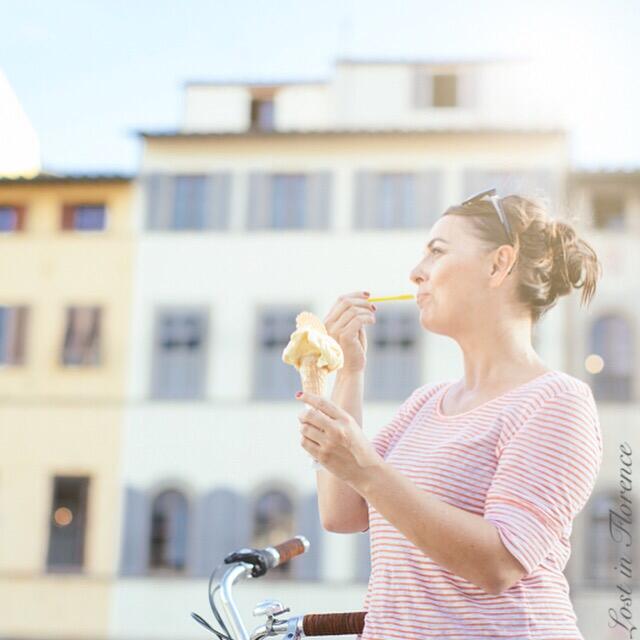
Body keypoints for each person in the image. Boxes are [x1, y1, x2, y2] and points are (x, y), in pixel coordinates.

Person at [295, 190, 604, 639]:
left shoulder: (556, 402)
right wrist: (345, 372)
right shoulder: (425, 403)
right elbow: (341, 513)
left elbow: (499, 564)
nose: (416, 272)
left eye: (436, 252)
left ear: (499, 264)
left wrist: (366, 469)